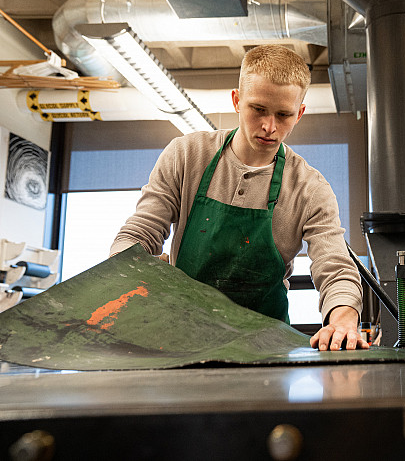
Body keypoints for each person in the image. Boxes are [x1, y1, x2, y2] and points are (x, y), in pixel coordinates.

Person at [110, 44, 368, 352]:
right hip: (180, 342)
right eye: (258, 109)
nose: (269, 127)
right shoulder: (186, 155)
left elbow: (335, 268)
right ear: (236, 100)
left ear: (299, 113)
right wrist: (131, 267)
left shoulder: (310, 188)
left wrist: (342, 320)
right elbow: (139, 233)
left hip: (266, 349)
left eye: (283, 115)